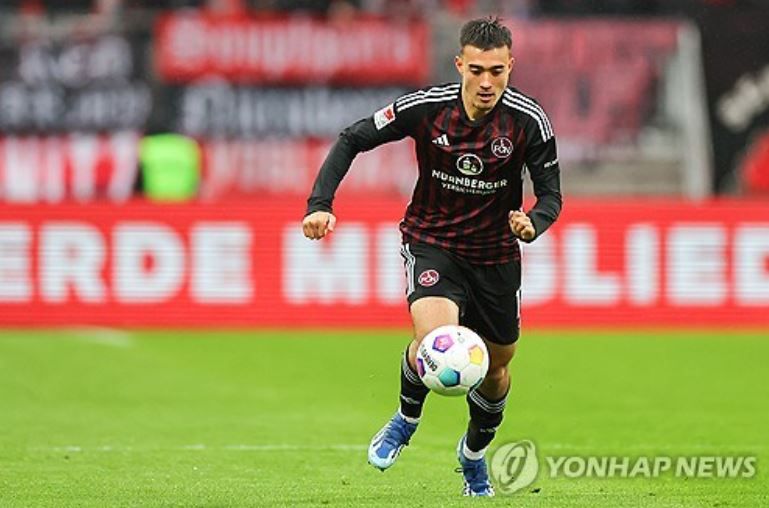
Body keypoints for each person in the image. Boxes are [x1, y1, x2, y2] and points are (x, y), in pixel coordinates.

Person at [302, 16, 562, 497]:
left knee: (495, 368)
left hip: (495, 256)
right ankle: (405, 419)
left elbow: (551, 196)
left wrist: (533, 222)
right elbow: (353, 137)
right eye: (477, 70)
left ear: (511, 66)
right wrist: (320, 204)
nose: (487, 82)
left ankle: (474, 456)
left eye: (497, 71)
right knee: (435, 340)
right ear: (460, 64)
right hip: (433, 243)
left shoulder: (528, 121)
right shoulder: (427, 108)